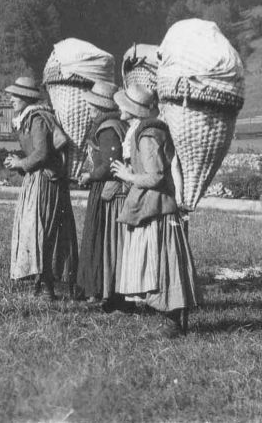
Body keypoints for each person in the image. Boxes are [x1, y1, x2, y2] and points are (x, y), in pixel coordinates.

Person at [110, 84, 198, 336]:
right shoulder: (149, 131)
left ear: (132, 109)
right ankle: (173, 321)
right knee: (164, 262)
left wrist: (128, 175)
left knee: (160, 263)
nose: (119, 108)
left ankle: (171, 322)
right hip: (158, 207)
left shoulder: (147, 136)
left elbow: (155, 177)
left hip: (155, 208)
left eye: (122, 104)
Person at [3, 75, 78, 299]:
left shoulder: (37, 119)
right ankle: (40, 281)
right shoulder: (29, 118)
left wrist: (21, 163)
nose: (11, 99)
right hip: (38, 180)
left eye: (15, 96)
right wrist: (19, 163)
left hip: (46, 182)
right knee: (36, 230)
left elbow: (42, 153)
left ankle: (47, 286)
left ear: (26, 98)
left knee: (42, 230)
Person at [74, 87, 127, 312]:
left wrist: (90, 175)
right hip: (103, 187)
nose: (88, 110)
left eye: (90, 106)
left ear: (99, 107)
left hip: (108, 190)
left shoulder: (107, 130)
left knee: (107, 241)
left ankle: (108, 292)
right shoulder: (112, 125)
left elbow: (110, 165)